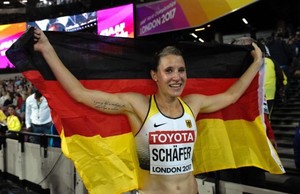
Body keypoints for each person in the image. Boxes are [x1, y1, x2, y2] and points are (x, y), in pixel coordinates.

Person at [33, 28, 263, 194]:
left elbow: (232, 96)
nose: (177, 76)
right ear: (155, 75)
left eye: (181, 70)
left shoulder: (193, 104)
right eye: (169, 70)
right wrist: (47, 50)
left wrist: (256, 63)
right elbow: (80, 94)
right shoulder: (139, 106)